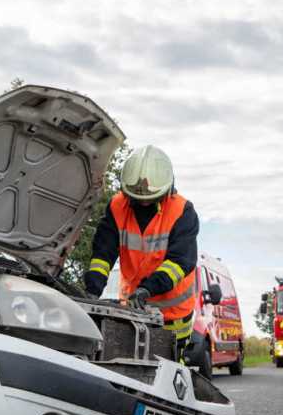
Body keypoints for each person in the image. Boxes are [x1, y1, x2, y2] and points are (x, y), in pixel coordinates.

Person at [84, 145, 199, 353]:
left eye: (150, 199)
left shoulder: (182, 211)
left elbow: (181, 262)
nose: (143, 204)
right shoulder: (117, 207)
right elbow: (103, 253)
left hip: (173, 316)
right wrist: (92, 289)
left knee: (169, 367)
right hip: (131, 311)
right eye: (137, 200)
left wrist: (148, 289)